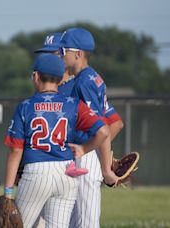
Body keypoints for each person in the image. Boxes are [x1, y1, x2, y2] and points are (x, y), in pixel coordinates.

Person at [4, 53, 111, 228]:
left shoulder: (25, 106)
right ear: (61, 78)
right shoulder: (74, 104)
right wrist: (84, 148)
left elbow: (16, 151)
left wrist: (8, 192)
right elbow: (104, 131)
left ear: (36, 77)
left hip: (36, 172)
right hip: (66, 174)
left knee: (15, 225)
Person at [59, 27, 121, 228]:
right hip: (85, 152)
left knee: (86, 222)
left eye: (64, 50)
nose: (61, 54)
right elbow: (114, 124)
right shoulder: (90, 77)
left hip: (84, 156)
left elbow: (100, 126)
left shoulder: (84, 81)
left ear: (78, 54)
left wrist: (105, 169)